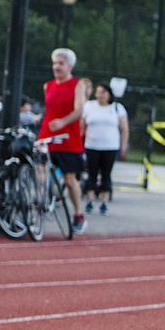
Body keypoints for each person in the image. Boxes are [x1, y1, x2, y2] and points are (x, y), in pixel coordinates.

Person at [37, 48, 90, 234]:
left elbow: (79, 111)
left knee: (69, 179)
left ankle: (78, 214)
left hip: (67, 138)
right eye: (55, 63)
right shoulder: (48, 85)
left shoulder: (77, 85)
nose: (56, 67)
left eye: (60, 63)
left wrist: (63, 122)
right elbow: (49, 110)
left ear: (69, 66)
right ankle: (42, 204)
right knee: (40, 172)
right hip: (47, 136)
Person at [81, 82, 128, 216]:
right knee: (91, 173)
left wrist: (123, 147)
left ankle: (104, 203)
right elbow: (81, 126)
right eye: (98, 92)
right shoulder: (89, 106)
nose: (99, 95)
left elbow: (124, 129)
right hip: (92, 145)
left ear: (109, 94)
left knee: (106, 174)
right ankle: (89, 201)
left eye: (103, 92)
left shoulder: (117, 108)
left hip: (110, 146)